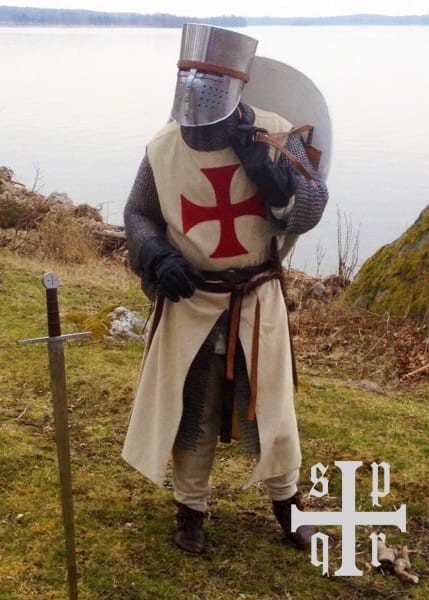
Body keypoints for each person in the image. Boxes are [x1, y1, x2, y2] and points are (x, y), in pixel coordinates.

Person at [122, 23, 329, 555]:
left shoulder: (275, 134)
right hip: (191, 300)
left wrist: (277, 179)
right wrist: (157, 255)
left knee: (272, 408)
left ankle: (288, 507)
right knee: (192, 407)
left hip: (255, 298)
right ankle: (190, 509)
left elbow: (310, 206)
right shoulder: (164, 148)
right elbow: (139, 213)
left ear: (235, 86)